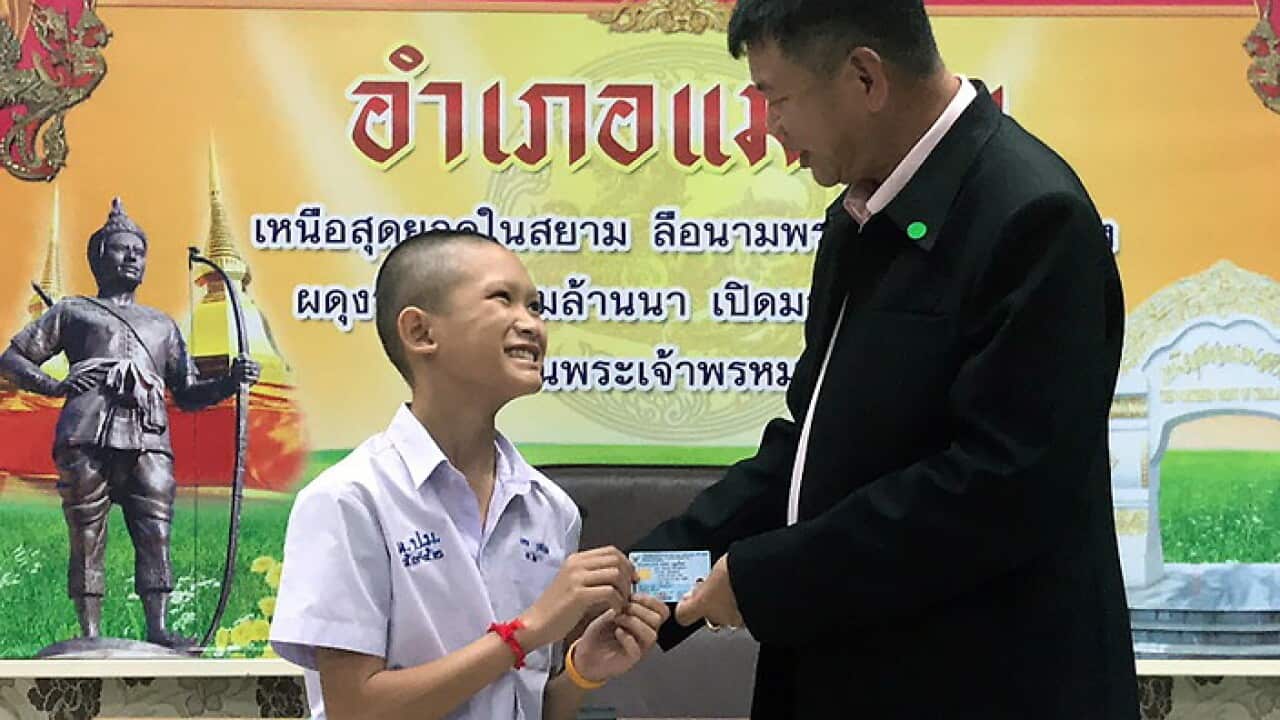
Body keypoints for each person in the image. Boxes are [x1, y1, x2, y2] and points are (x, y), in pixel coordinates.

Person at [631, 1, 1140, 717]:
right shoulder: (861, 217)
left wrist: (763, 578)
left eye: (777, 98)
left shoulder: (1033, 217)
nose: (769, 128)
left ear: (865, 77)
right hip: (850, 671)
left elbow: (997, 488)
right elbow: (809, 454)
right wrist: (648, 582)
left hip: (983, 685)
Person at [269, 229, 669, 720]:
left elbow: (527, 706)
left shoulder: (550, 509)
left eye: (536, 306)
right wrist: (525, 632)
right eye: (503, 299)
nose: (532, 324)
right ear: (420, 332)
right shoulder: (350, 500)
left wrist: (583, 672)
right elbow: (356, 709)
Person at [0, 197, 261, 647]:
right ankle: (89, 632)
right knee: (87, 532)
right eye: (122, 249)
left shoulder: (162, 325)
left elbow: (187, 391)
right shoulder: (73, 311)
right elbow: (13, 358)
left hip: (148, 434)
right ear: (100, 257)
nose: (133, 258)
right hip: (87, 431)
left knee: (156, 529)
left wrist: (229, 382)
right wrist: (55, 386)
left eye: (139, 252)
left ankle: (158, 627)